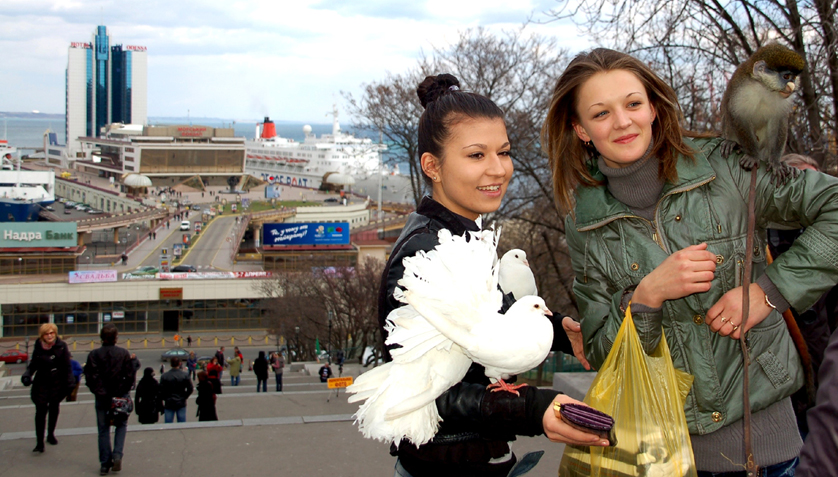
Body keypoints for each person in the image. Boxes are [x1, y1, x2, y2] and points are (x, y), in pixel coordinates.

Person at [542, 48, 838, 476]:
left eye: (633, 104)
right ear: (581, 129)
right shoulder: (583, 223)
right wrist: (647, 296)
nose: (622, 122)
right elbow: (605, 352)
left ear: (653, 109)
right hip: (664, 459)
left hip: (769, 453)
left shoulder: (728, 168)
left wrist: (769, 292)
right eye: (601, 113)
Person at [85, 323, 136, 475]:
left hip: (102, 397)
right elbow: (130, 376)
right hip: (120, 396)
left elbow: (91, 378)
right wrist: (123, 391)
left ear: (101, 338)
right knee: (121, 425)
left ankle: (104, 463)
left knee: (103, 429)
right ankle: (117, 454)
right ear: (116, 338)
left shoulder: (94, 355)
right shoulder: (123, 353)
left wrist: (100, 392)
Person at [23, 323, 74, 453]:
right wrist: (27, 375)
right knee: (40, 411)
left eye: (52, 333)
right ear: (42, 336)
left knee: (54, 408)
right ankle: (39, 442)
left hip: (57, 382)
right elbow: (34, 364)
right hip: (41, 382)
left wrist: (70, 383)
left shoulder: (61, 346)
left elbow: (67, 366)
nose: (50, 336)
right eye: (47, 334)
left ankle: (51, 434)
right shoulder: (38, 346)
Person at [159, 357, 193, 423]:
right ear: (180, 364)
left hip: (169, 401)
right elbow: (190, 388)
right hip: (181, 401)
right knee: (182, 422)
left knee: (168, 423)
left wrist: (165, 398)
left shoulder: (164, 376)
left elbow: (160, 390)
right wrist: (184, 396)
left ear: (171, 364)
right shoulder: (185, 375)